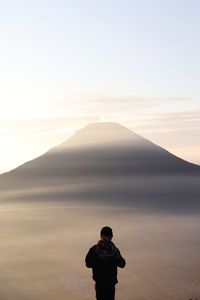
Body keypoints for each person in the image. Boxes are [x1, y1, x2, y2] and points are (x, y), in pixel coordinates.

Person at [85, 226, 126, 300]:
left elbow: (88, 264)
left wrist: (98, 259)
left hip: (102, 284)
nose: (107, 238)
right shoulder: (114, 251)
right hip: (108, 284)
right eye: (107, 236)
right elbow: (122, 264)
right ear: (112, 237)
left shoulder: (94, 250)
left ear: (101, 236)